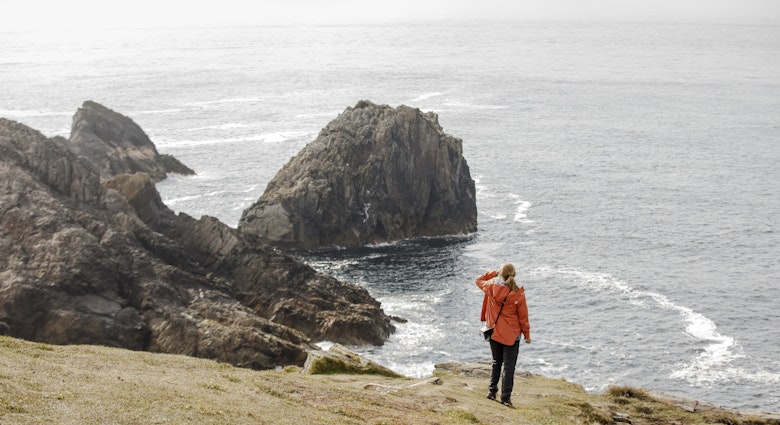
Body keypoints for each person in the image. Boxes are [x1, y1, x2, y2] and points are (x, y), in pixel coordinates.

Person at [475, 263, 530, 408]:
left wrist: (493, 272)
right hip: (511, 335)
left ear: (501, 274)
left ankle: (492, 392)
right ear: (514, 275)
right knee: (509, 367)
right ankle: (505, 398)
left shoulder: (491, 286)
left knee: (496, 362)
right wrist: (527, 334)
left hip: (494, 332)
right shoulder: (518, 294)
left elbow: (478, 280)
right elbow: (523, 316)